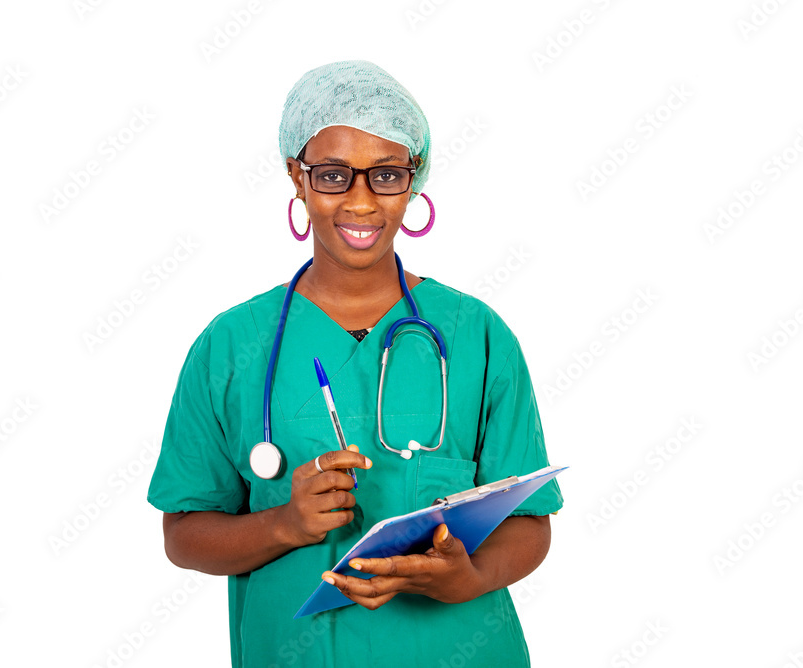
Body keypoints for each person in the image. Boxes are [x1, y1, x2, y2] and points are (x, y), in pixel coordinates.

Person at [147, 60, 563, 667]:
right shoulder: (232, 345)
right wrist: (285, 523)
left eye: (387, 175)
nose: (362, 203)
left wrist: (466, 580)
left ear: (414, 179)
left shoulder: (477, 335)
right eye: (335, 175)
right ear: (297, 176)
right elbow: (184, 536)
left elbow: (530, 524)